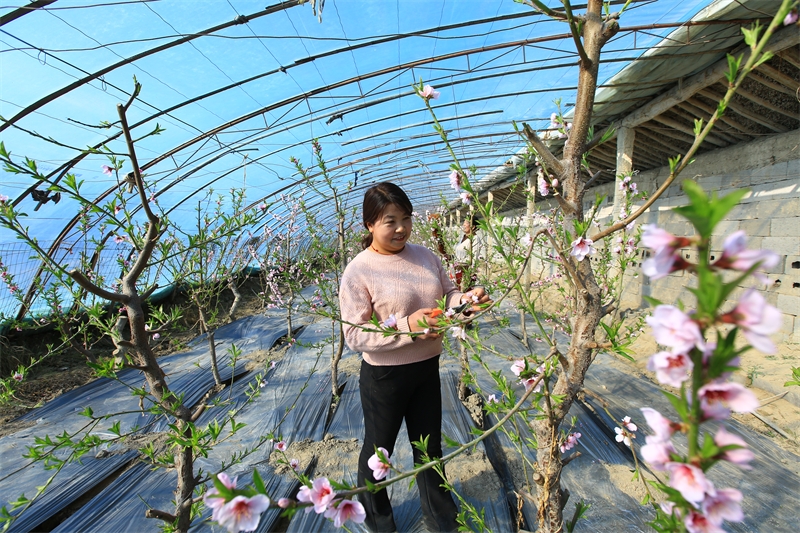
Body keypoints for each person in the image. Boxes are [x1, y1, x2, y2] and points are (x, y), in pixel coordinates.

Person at [339, 182, 490, 533]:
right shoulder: (359, 270)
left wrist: (466, 303)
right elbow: (354, 334)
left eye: (405, 219)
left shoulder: (425, 256)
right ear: (370, 225)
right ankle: (380, 522)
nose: (401, 228)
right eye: (390, 221)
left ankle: (442, 519)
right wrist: (408, 326)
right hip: (384, 378)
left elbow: (448, 296)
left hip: (426, 369)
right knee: (379, 453)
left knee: (429, 448)